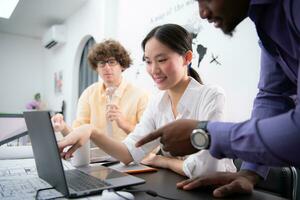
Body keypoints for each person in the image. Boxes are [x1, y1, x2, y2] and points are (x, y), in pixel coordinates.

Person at [136, 0, 300, 198]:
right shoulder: (268, 24)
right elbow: (273, 97)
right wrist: (250, 173)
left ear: (187, 59)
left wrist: (206, 135)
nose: (202, 13)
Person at [58, 24, 236, 179]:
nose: (154, 70)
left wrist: (163, 161)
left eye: (162, 60)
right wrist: (92, 131)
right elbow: (128, 152)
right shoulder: (158, 103)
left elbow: (205, 169)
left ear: (187, 58)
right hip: (179, 184)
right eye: (148, 61)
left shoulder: (212, 96)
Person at [52, 39, 149, 143]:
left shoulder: (140, 95)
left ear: (122, 65)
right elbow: (77, 134)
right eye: (102, 63)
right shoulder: (89, 94)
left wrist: (124, 124)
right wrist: (63, 127)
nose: (106, 67)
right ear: (96, 68)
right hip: (96, 157)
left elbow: (150, 140)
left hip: (130, 157)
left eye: (112, 62)